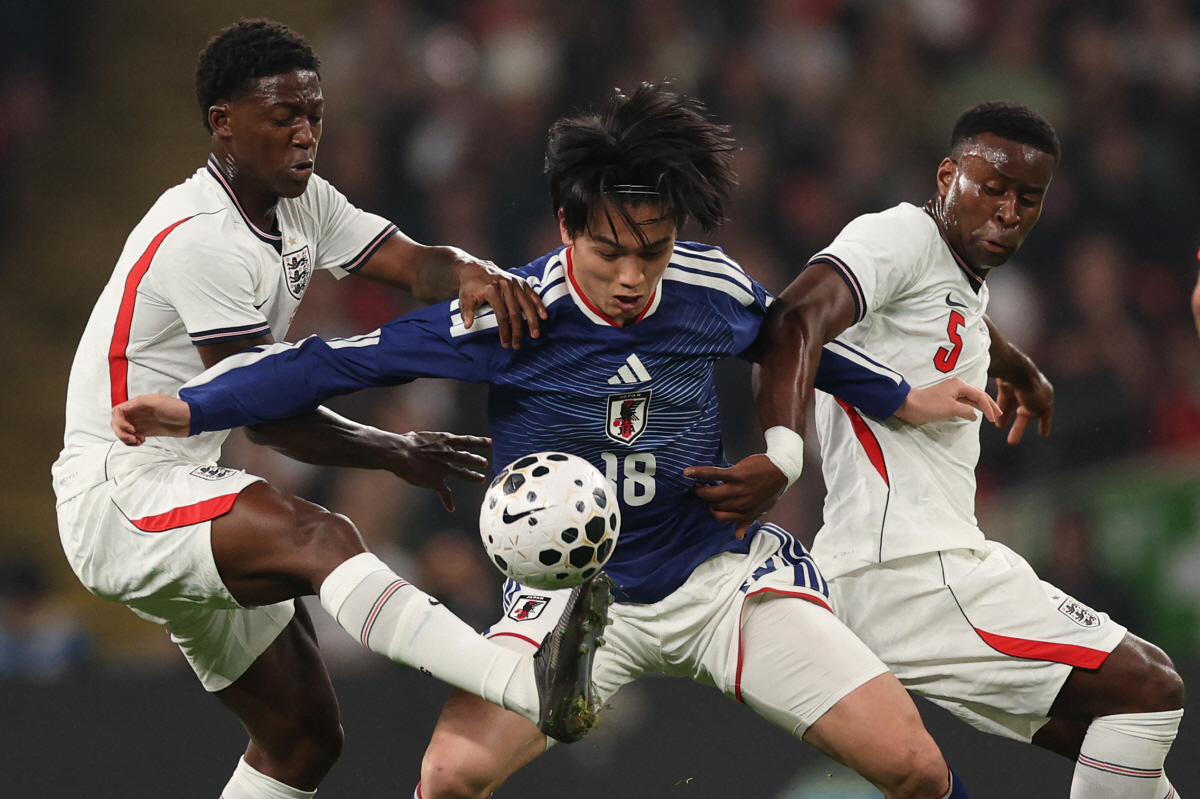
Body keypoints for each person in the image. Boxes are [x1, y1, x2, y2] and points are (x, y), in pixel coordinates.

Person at [112, 83, 1000, 799]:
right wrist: (194, 407)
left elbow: (789, 338)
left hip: (720, 574)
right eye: (610, 252)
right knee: (448, 776)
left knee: (915, 767)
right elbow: (333, 364)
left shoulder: (711, 289)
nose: (633, 276)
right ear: (567, 228)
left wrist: (898, 395)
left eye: (653, 251)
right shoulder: (514, 315)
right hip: (569, 601)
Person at [52, 19, 612, 799]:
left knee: (301, 738)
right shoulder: (201, 236)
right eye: (284, 116)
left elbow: (412, 264)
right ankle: (521, 683)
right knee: (322, 534)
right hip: (120, 492)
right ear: (223, 123)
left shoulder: (302, 201)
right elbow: (265, 411)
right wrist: (394, 450)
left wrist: (475, 272)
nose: (305, 133)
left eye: (314, 113)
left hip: (181, 489)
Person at [701, 101, 1185, 798]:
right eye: (993, 188)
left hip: (911, 568)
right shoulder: (899, 235)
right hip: (913, 567)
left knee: (1122, 744)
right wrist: (783, 450)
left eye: (1028, 198)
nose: (1009, 211)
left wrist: (1018, 367)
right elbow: (793, 317)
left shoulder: (954, 273)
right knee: (1151, 688)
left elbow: (951, 319)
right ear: (947, 175)